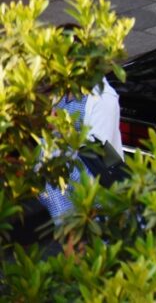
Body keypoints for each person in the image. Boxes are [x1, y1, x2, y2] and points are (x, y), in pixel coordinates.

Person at [37, 78, 124, 225]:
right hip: (64, 181)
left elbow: (101, 152)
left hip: (94, 183)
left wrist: (63, 131)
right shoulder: (62, 93)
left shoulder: (103, 98)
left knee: (95, 238)